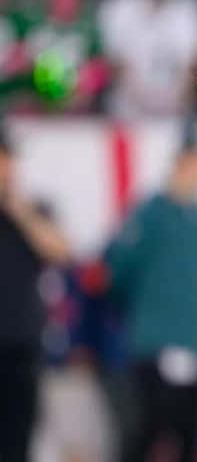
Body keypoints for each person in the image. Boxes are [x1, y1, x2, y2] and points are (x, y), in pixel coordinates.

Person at [104, 128, 197, 462]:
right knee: (146, 431)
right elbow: (117, 273)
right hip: (153, 345)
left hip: (196, 345)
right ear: (181, 163)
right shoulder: (150, 214)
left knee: (191, 437)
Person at [0, 125, 70, 462]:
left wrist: (20, 211)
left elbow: (62, 251)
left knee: (18, 441)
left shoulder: (30, 208)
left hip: (20, 348)